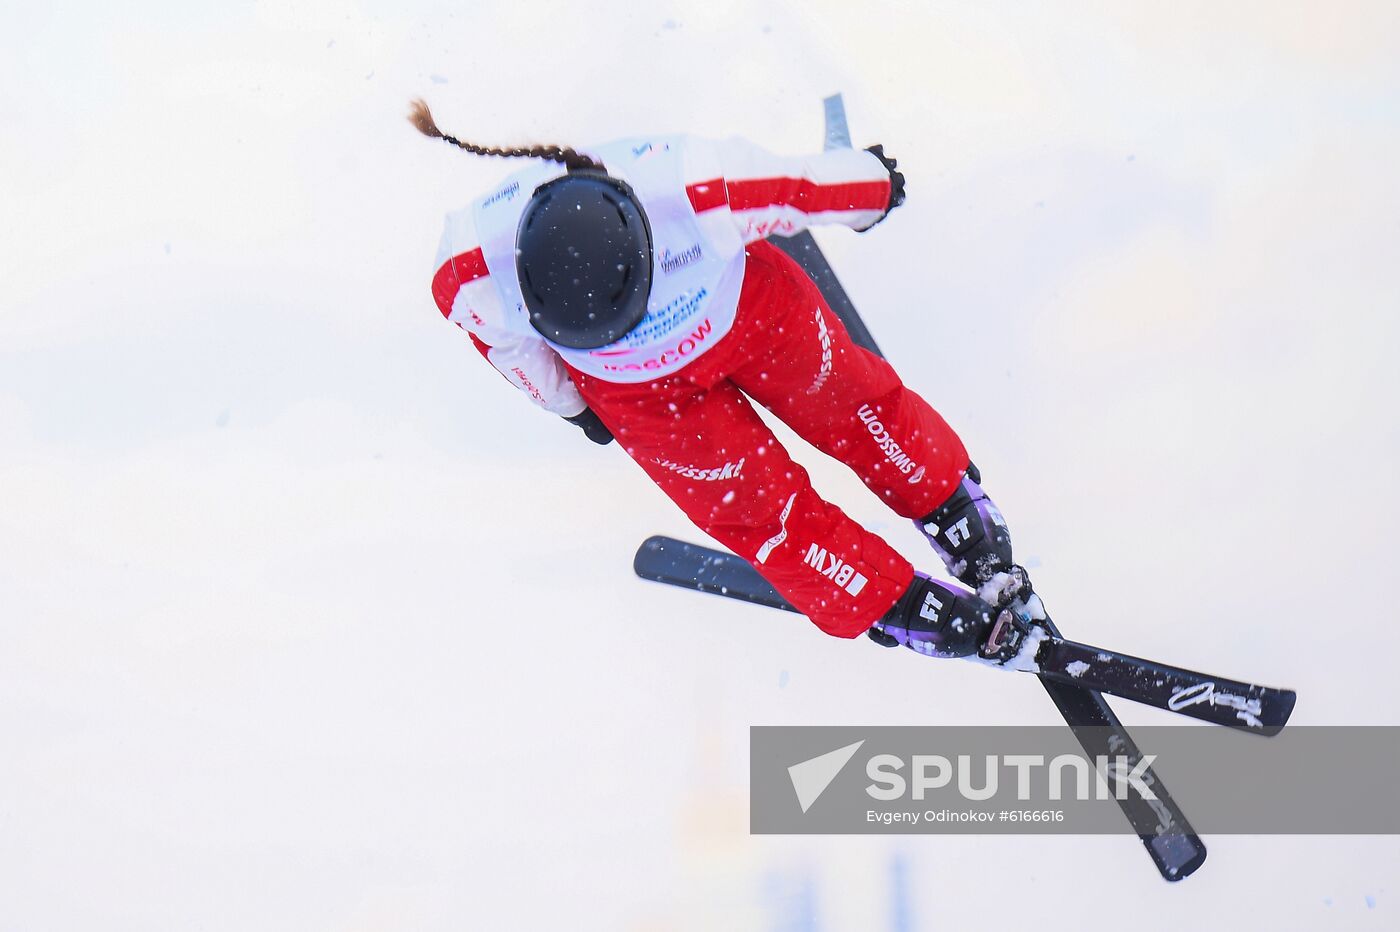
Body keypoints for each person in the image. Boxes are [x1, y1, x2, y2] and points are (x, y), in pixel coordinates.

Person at [411, 100, 1035, 665]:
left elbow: (802, 187)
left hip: (748, 316)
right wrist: (573, 405)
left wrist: (870, 186)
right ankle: (887, 599)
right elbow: (506, 347)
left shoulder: (690, 185)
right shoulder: (469, 272)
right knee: (762, 512)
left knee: (847, 401)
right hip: (642, 399)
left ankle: (942, 499)